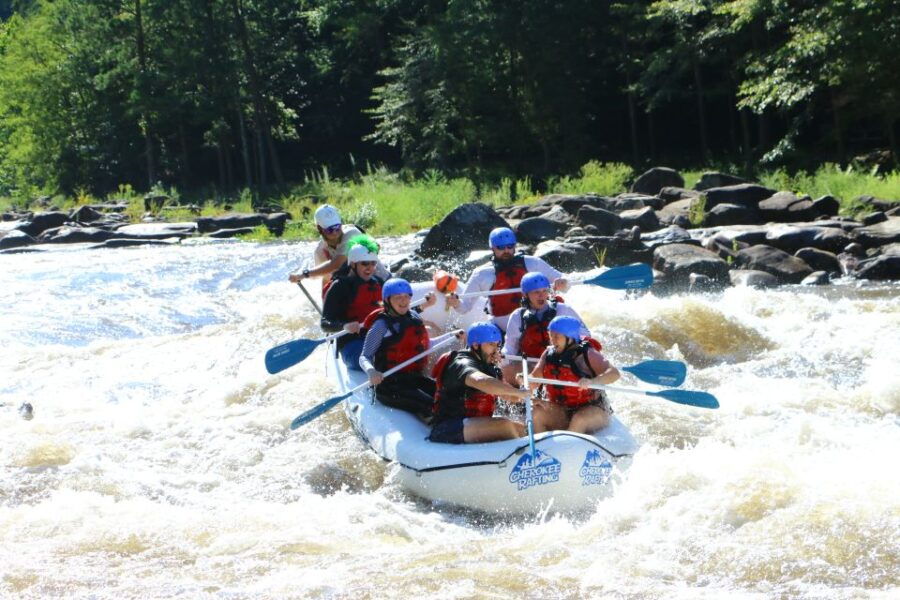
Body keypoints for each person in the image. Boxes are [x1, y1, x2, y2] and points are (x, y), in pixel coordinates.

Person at [359, 278, 462, 421]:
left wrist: (452, 336)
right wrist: (371, 371)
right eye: (398, 297)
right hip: (389, 385)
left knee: (446, 395)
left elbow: (427, 345)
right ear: (387, 300)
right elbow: (365, 356)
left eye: (407, 296)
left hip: (413, 377)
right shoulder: (381, 326)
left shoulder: (414, 317)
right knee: (430, 404)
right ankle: (440, 428)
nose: (404, 301)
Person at [446, 227, 569, 332]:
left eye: (510, 246)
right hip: (501, 327)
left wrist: (562, 282)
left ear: (515, 246)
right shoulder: (482, 274)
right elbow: (464, 307)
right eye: (500, 247)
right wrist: (455, 303)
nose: (506, 251)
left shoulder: (532, 263)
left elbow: (564, 281)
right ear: (492, 248)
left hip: (536, 320)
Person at [429, 322, 532, 444]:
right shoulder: (461, 362)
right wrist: (517, 391)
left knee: (521, 428)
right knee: (504, 426)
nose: (496, 350)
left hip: (472, 424)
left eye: (497, 345)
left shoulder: (489, 366)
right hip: (448, 427)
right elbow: (479, 381)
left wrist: (525, 394)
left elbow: (510, 396)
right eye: (491, 345)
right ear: (476, 345)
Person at [529, 316, 619, 434]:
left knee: (579, 420)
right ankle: (540, 449)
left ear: (570, 337)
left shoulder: (588, 354)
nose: (553, 340)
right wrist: (526, 381)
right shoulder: (548, 354)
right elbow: (535, 378)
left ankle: (568, 449)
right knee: (536, 413)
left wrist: (592, 382)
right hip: (562, 409)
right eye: (551, 335)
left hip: (593, 409)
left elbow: (614, 373)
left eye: (557, 336)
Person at [500, 271, 591, 384]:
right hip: (531, 363)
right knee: (507, 369)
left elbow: (585, 334)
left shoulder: (563, 309)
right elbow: (510, 346)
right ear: (525, 294)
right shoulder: (517, 316)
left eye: (544, 291)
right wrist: (503, 358)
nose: (542, 295)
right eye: (536, 292)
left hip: (562, 360)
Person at [288, 204, 388, 295]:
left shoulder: (351, 233)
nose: (335, 232)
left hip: (381, 282)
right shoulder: (320, 250)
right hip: (356, 290)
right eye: (330, 230)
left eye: (337, 227)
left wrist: (304, 274)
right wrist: (326, 305)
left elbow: (336, 264)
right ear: (319, 229)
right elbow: (325, 278)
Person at [320, 241, 385, 370]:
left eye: (373, 263)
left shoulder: (379, 283)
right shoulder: (339, 287)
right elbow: (325, 324)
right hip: (351, 344)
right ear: (353, 264)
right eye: (365, 263)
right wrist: (344, 326)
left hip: (377, 336)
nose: (370, 268)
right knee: (382, 358)